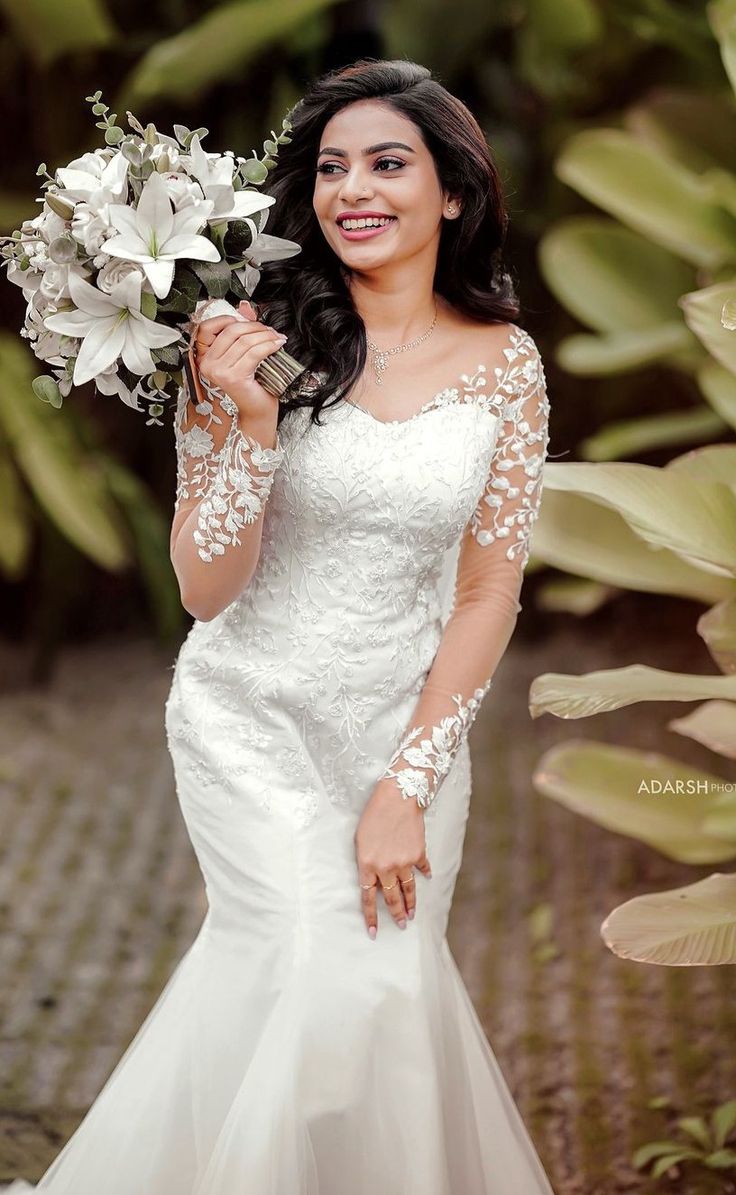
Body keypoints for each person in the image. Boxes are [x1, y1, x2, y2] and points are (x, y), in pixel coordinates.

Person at [6, 58, 555, 1195]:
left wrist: (408, 780)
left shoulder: (507, 366)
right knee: (317, 968)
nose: (354, 187)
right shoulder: (244, 340)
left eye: (389, 163)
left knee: (376, 997)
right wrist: (249, 423)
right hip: (249, 719)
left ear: (452, 192)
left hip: (402, 734)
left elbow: (487, 592)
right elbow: (206, 590)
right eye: (332, 167)